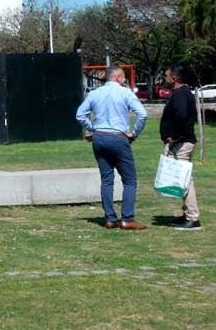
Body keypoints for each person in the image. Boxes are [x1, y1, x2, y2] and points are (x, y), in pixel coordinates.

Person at [75, 65, 148, 230]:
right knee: (129, 180)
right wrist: (134, 133)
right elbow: (142, 114)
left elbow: (80, 114)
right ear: (118, 77)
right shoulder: (125, 93)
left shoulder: (94, 93)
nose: (124, 80)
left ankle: (109, 218)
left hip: (99, 137)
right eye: (123, 77)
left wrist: (92, 128)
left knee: (107, 179)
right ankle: (127, 218)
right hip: (118, 137)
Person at [161, 65, 201, 230]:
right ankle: (187, 214)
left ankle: (193, 217)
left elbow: (182, 116)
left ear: (175, 78)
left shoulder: (180, 95)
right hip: (181, 141)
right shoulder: (182, 94)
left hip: (181, 142)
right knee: (183, 178)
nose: (165, 78)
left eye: (166, 75)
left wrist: (175, 136)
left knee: (184, 180)